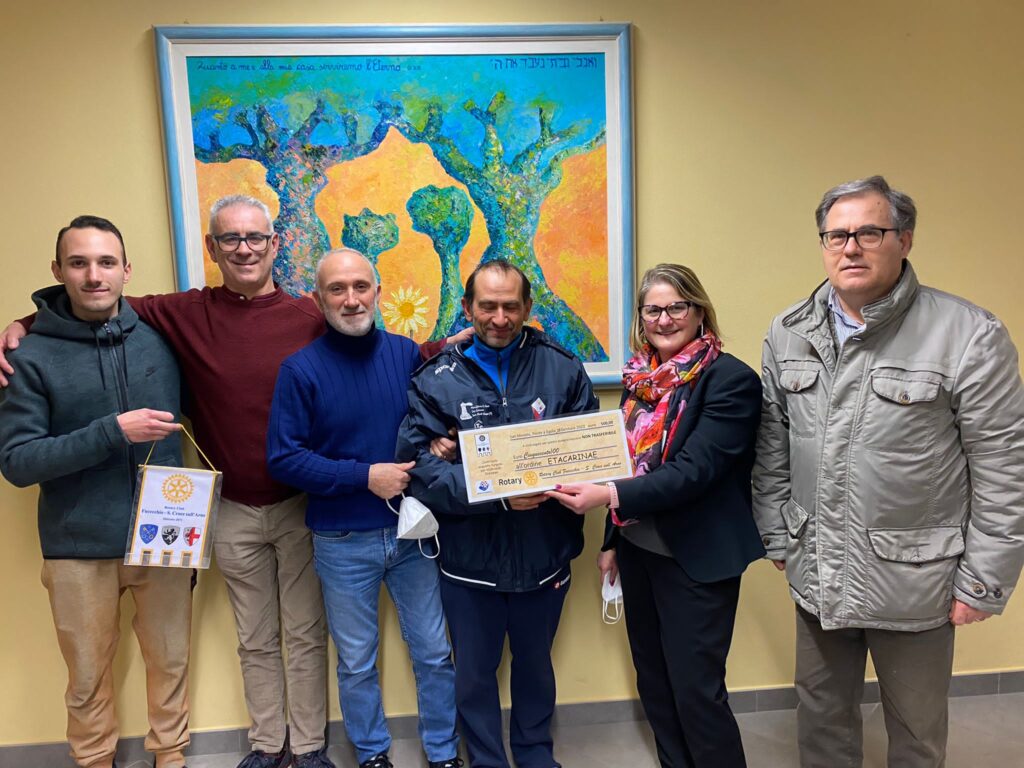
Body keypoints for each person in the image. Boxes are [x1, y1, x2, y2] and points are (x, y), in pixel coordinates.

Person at [0, 196, 461, 768]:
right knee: (255, 638)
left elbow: (375, 348)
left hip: (301, 505)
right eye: (230, 239)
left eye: (255, 237)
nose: (244, 249)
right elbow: (95, 302)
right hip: (230, 507)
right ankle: (267, 745)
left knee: (307, 635)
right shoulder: (182, 314)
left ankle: (310, 748)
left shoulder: (311, 313)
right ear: (212, 248)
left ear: (275, 244)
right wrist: (24, 325)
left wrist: (448, 349)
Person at [753, 175, 1024, 767]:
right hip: (818, 569)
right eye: (837, 235)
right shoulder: (788, 332)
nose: (850, 247)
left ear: (905, 239)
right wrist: (777, 532)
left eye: (869, 233)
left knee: (916, 737)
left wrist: (984, 579)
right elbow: (774, 446)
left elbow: (1005, 467)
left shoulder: (968, 335)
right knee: (821, 725)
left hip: (916, 579)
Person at [548, 263, 764, 768]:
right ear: (641, 319)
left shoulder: (731, 381)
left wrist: (605, 496)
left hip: (697, 558)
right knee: (655, 683)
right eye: (653, 310)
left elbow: (693, 472)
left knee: (697, 692)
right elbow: (624, 463)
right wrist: (611, 542)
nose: (664, 320)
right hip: (639, 551)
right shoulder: (642, 380)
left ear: (699, 311)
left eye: (676, 307)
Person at [0, 216, 191, 768]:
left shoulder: (163, 338)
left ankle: (171, 757)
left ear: (126, 270)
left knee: (171, 664)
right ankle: (94, 761)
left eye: (106, 262)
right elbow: (17, 463)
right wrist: (112, 432)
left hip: (165, 535)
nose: (93, 275)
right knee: (86, 678)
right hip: (78, 547)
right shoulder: (30, 356)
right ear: (58, 271)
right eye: (79, 263)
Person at [396, 259, 598, 768]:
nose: (500, 318)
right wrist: (494, 494)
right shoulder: (435, 379)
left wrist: (553, 476)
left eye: (511, 306)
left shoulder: (562, 368)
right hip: (468, 561)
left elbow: (587, 452)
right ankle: (486, 760)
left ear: (527, 307)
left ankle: (535, 755)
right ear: (468, 308)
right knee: (473, 676)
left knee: (536, 669)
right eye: (488, 306)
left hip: (544, 554)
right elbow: (418, 467)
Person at [266, 249, 461, 768]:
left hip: (414, 534)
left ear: (378, 292)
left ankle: (443, 752)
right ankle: (373, 754)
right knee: (355, 661)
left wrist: (440, 445)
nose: (351, 299)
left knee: (434, 652)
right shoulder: (300, 370)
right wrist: (363, 476)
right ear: (318, 299)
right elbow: (283, 458)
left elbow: (428, 427)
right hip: (342, 542)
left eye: (360, 286)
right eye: (337, 289)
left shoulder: (406, 354)